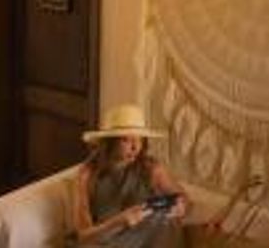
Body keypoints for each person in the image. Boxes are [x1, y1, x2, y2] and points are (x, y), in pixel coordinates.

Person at [68, 103, 189, 247]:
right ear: (110, 142)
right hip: (105, 242)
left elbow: (183, 198)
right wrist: (119, 222)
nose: (135, 147)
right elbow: (84, 238)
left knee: (165, 220)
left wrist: (181, 206)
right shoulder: (86, 174)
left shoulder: (151, 168)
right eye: (126, 140)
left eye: (140, 139)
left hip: (144, 240)